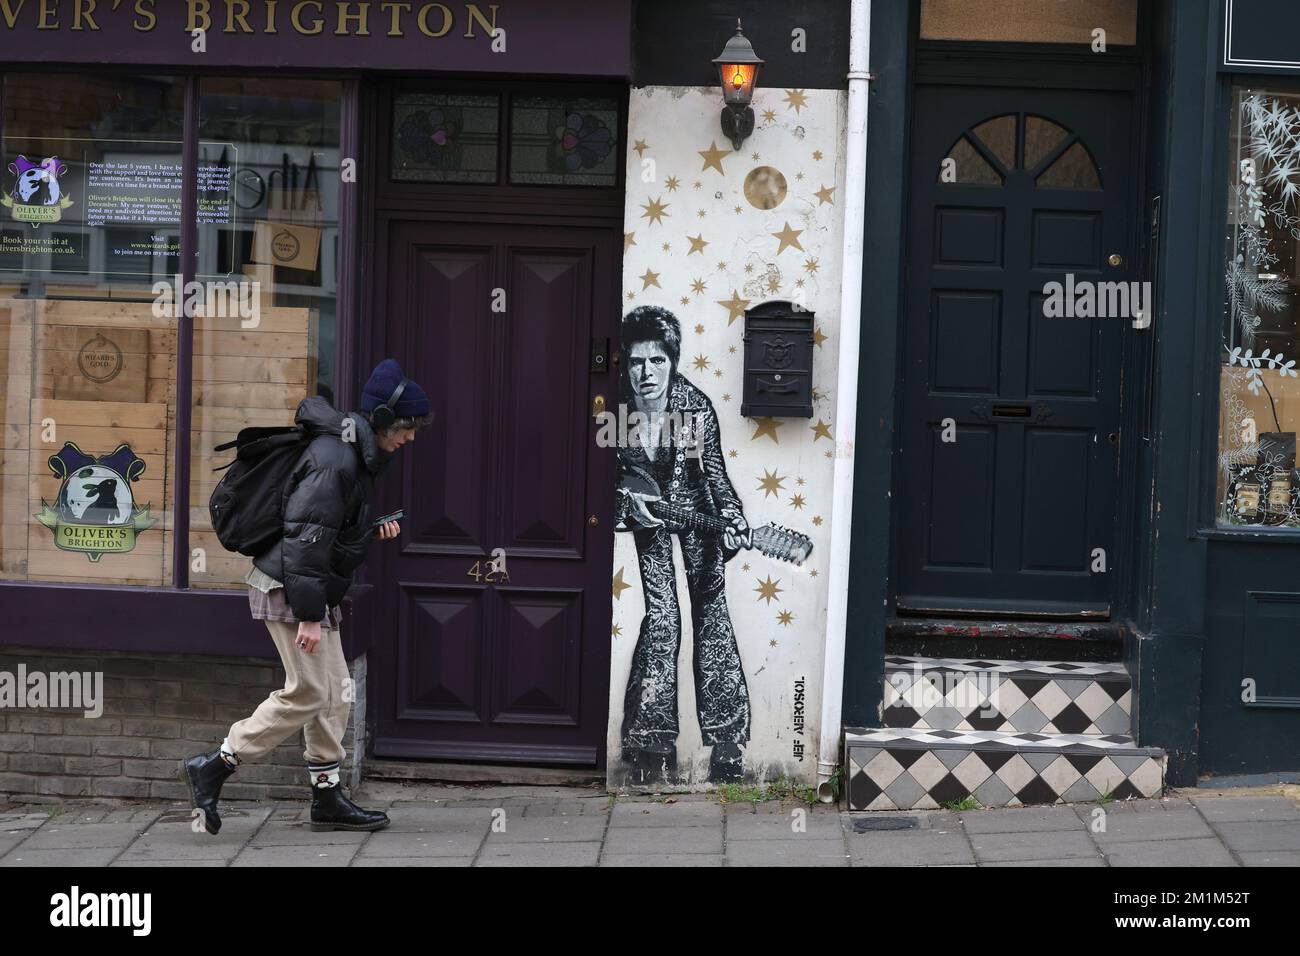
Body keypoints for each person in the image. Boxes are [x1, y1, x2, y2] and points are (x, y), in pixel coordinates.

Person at [184, 359, 432, 834]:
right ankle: (216, 764)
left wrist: (367, 532)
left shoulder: (351, 455)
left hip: (309, 589)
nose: (411, 437)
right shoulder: (336, 458)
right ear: (381, 421)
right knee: (310, 691)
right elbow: (305, 538)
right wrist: (311, 617)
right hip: (289, 588)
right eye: (407, 426)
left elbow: (327, 529)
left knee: (337, 691)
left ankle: (327, 795)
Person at [615, 305, 752, 784]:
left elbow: (715, 474)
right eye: (636, 361)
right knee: (663, 619)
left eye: (656, 361)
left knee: (710, 614)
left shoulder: (694, 408)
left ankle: (728, 742)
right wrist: (622, 508)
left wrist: (733, 520)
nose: (646, 372)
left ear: (672, 363)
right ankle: (650, 740)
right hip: (645, 519)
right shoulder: (614, 410)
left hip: (698, 516)